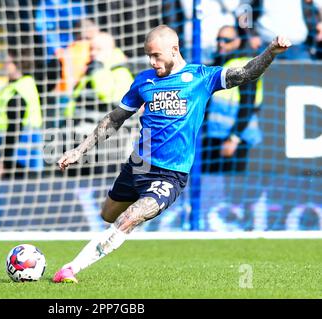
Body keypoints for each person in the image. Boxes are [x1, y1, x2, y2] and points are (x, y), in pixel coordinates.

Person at [52, 24, 291, 283]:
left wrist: (271, 51)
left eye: (156, 55)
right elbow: (115, 118)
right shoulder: (144, 80)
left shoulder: (201, 76)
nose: (152, 62)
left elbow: (245, 73)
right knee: (107, 214)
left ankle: (70, 269)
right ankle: (123, 218)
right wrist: (80, 149)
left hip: (170, 174)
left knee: (128, 219)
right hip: (139, 165)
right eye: (148, 56)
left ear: (174, 50)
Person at [202, 25, 263, 173]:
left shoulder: (245, 66)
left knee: (233, 187)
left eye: (226, 40)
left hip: (236, 138)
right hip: (215, 135)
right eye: (219, 39)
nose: (221, 43)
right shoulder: (217, 63)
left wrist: (234, 138)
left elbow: (247, 105)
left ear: (237, 41)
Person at [0, 54, 44, 178]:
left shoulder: (19, 89)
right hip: (16, 154)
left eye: (8, 63)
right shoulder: (16, 86)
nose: (4, 66)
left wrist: (4, 160)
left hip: (18, 158)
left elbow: (14, 127)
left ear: (17, 65)